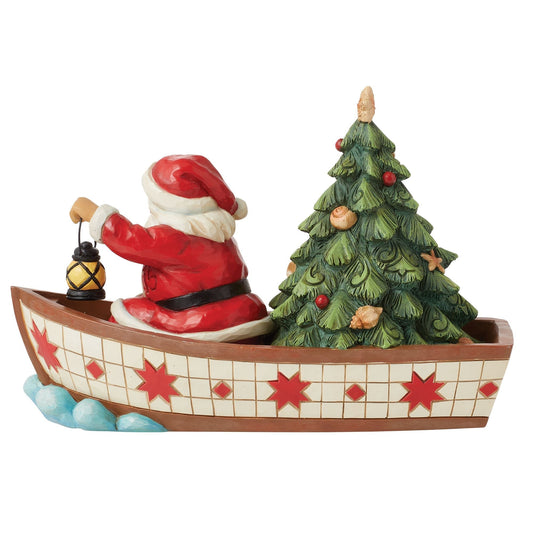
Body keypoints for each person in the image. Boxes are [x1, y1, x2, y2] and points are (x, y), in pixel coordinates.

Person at [69, 154, 273, 342]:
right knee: (141, 303)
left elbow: (132, 240)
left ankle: (116, 352)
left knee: (126, 312)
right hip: (242, 309)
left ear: (169, 205)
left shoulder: (176, 238)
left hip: (199, 317)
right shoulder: (216, 233)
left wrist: (93, 214)